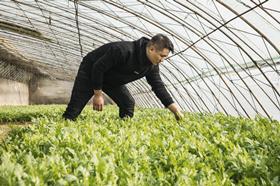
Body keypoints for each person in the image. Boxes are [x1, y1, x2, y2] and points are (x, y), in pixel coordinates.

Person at [63, 34, 183, 121]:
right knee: (74, 109)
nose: (162, 60)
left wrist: (174, 108)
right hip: (91, 70)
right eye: (161, 56)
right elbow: (98, 68)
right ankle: (66, 122)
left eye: (165, 57)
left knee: (128, 104)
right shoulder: (123, 50)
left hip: (112, 79)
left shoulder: (151, 66)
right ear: (151, 49)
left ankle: (122, 130)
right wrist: (98, 94)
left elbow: (158, 86)